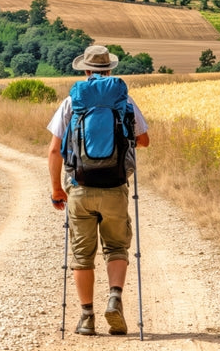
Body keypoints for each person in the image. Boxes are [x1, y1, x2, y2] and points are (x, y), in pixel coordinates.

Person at [47, 44, 150, 336]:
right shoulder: (124, 101)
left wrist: (57, 188)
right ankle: (115, 297)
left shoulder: (72, 102)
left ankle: (86, 317)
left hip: (80, 187)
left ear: (86, 70)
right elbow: (144, 141)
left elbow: (55, 150)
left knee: (82, 254)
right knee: (117, 246)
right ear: (110, 70)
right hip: (115, 186)